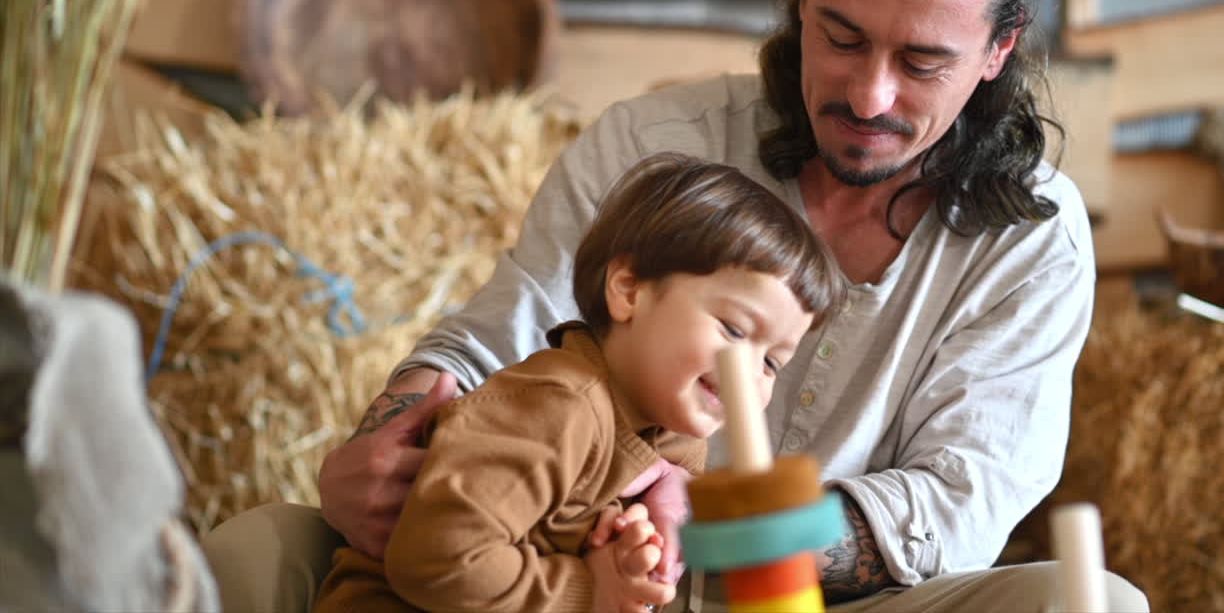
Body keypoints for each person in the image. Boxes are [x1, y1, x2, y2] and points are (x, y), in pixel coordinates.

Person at [203, 0, 1151, 611]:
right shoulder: (655, 142)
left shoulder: (1032, 237)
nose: (868, 95)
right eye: (841, 36)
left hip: (834, 602)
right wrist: (383, 440)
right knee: (256, 552)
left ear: (998, 49)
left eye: (922, 63)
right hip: (558, 560)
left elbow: (960, 505)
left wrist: (724, 530)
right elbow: (494, 340)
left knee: (1094, 603)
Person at [308, 153, 843, 613]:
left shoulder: (674, 433)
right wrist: (592, 591)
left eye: (773, 362)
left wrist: (629, 559)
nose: (750, 375)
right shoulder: (559, 406)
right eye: (733, 329)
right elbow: (437, 558)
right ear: (629, 290)